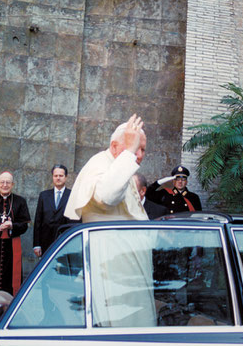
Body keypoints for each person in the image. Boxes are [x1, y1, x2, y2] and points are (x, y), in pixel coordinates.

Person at [65, 114, 156, 327]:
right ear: (115, 146)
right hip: (113, 272)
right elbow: (107, 196)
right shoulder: (100, 164)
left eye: (142, 149)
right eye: (135, 147)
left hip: (127, 270)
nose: (140, 155)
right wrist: (130, 154)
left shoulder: (120, 166)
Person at [0, 171, 31, 296]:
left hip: (12, 247)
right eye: (2, 182)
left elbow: (24, 224)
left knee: (10, 276)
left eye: (8, 182)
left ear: (12, 184)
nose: (5, 185)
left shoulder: (20, 201)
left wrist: (12, 225)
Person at [33, 165, 73, 258]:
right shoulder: (44, 195)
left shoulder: (72, 195)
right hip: (45, 242)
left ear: (66, 177)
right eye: (55, 176)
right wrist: (36, 244)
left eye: (61, 175)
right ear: (52, 177)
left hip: (64, 241)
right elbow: (38, 220)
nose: (58, 178)